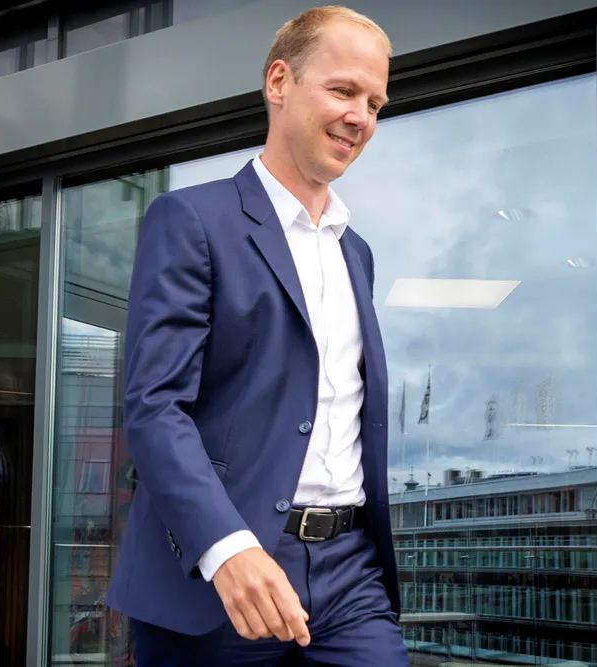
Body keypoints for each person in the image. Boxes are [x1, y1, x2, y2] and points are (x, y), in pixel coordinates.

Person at [106, 6, 407, 665]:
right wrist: (227, 547)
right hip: (220, 571)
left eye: (375, 103)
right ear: (279, 82)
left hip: (350, 571)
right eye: (344, 90)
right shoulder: (190, 219)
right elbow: (155, 406)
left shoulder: (357, 252)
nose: (361, 117)